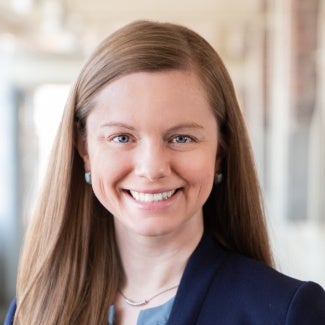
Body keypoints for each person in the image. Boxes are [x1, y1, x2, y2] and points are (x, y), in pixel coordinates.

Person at [4, 20, 325, 325]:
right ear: (84, 149)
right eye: (122, 138)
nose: (152, 168)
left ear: (220, 151)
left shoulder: (285, 313)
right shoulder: (35, 309)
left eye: (181, 138)